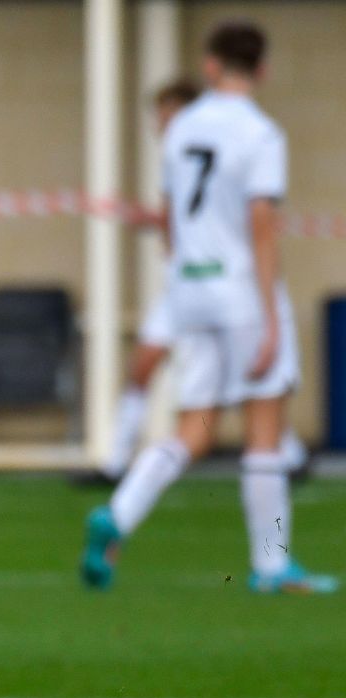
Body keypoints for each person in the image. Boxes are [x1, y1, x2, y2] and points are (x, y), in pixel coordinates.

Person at [81, 21, 335, 595]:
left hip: (190, 292)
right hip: (242, 293)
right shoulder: (262, 133)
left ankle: (117, 515)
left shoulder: (180, 127)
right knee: (265, 431)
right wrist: (270, 313)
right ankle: (272, 565)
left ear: (212, 65)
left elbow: (170, 218)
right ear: (263, 70)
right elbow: (262, 224)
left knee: (192, 428)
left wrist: (183, 279)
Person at [91, 77, 309, 485]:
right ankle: (117, 466)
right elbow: (185, 220)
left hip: (222, 286)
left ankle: (117, 515)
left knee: (236, 405)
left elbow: (248, 223)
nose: (163, 126)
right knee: (224, 408)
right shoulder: (203, 149)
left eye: (169, 117)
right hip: (194, 288)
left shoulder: (247, 140)